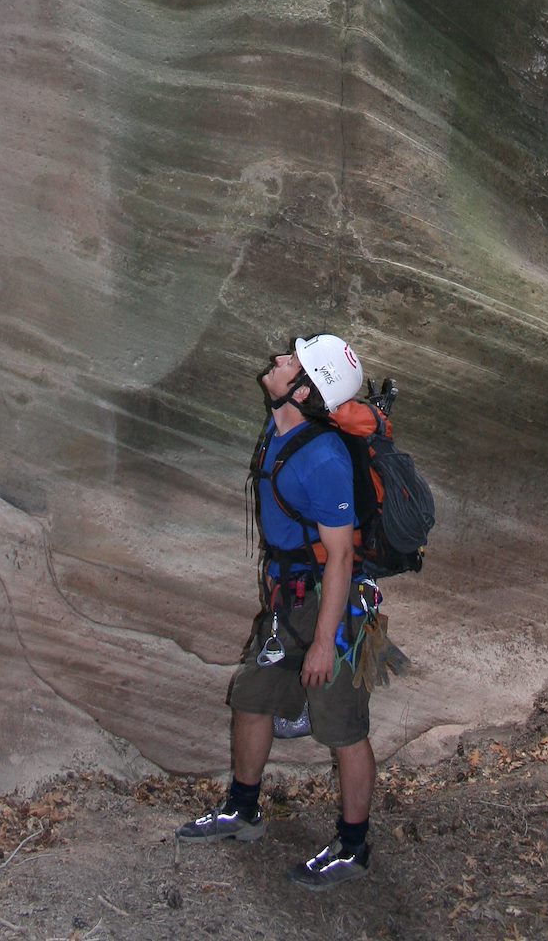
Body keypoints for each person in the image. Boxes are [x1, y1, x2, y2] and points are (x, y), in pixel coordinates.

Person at [176, 332, 378, 889]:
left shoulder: (324, 459)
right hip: (285, 598)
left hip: (328, 609)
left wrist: (322, 643)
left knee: (344, 730)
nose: (281, 359)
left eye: (294, 361)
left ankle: (353, 846)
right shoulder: (279, 425)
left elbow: (340, 558)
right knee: (252, 697)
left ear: (306, 391)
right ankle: (243, 810)